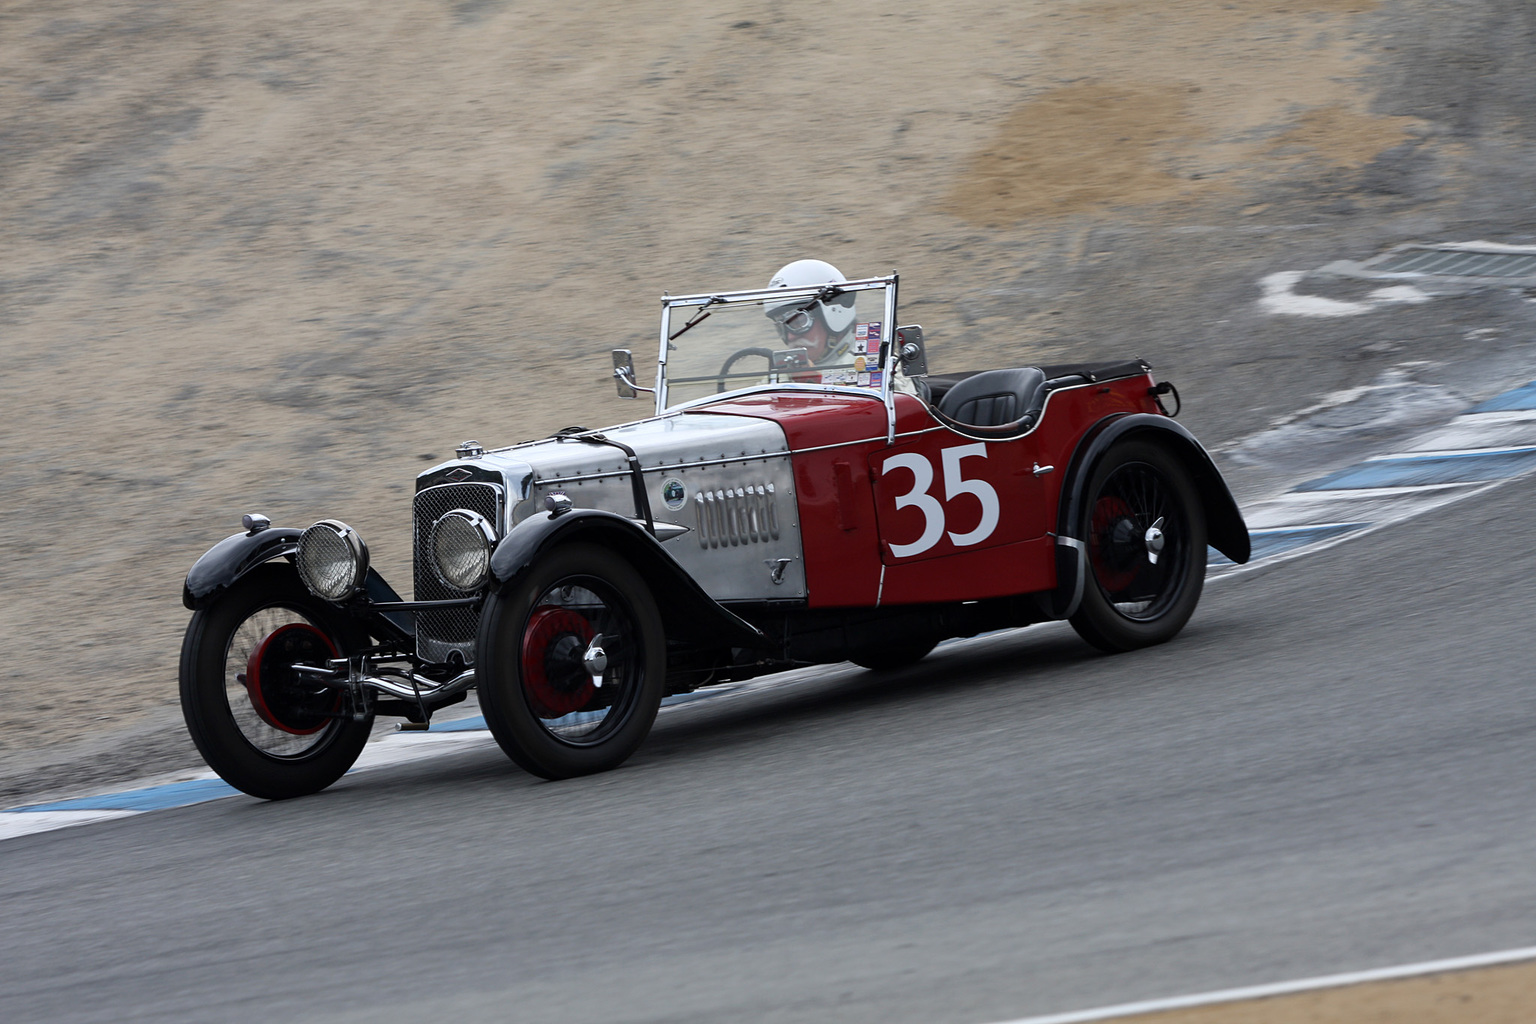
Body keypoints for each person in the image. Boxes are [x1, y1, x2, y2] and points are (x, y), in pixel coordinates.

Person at [762, 259, 917, 394]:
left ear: (833, 313)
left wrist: (819, 383)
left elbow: (892, 407)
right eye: (781, 327)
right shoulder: (781, 375)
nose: (789, 337)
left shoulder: (880, 363)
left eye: (797, 322)